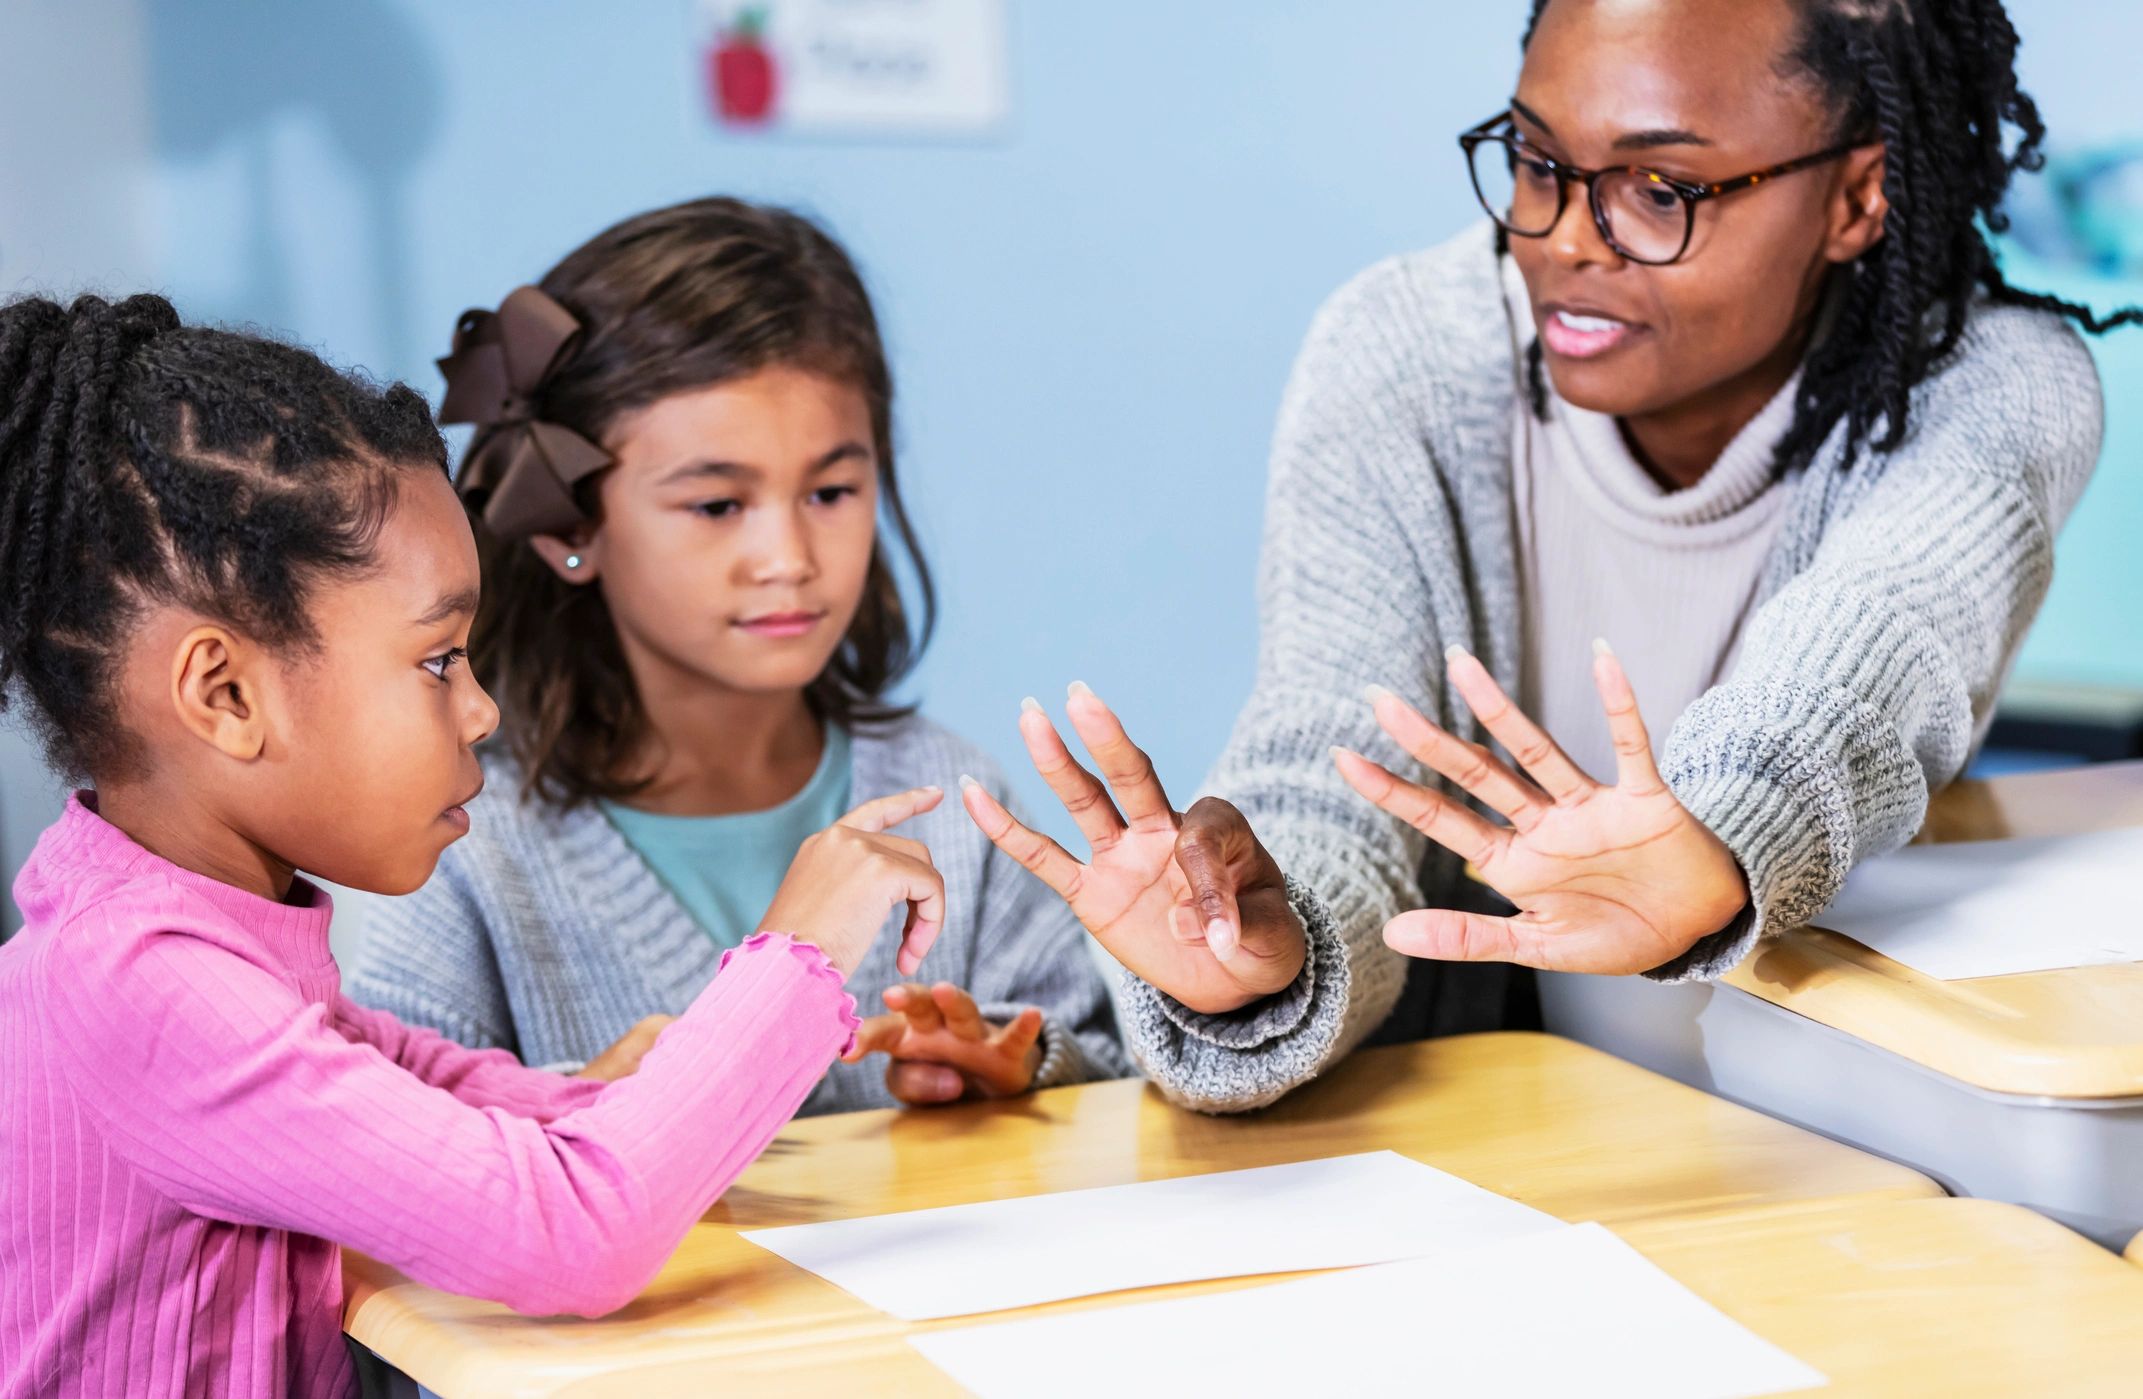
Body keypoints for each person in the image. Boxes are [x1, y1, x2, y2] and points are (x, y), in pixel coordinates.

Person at [964, 0, 2128, 1112]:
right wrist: (1263, 950)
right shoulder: (1405, 353)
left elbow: (1869, 662)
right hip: (1481, 1138)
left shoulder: (1992, 387)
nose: (1568, 240)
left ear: (1857, 196)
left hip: (1824, 1115)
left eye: (1661, 188)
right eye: (1534, 165)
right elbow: (1336, 760)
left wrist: (1719, 839)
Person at [0, 292, 948, 1395]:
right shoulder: (142, 985)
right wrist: (798, 952)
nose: (483, 710)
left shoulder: (184, 935)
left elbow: (418, 1084)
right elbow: (572, 1238)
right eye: (440, 659)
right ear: (225, 693)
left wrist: (623, 1092)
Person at [348, 198, 1125, 1109]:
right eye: (718, 506)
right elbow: (382, 1142)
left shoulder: (952, 804)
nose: (789, 560)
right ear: (570, 526)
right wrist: (577, 1103)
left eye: (831, 490)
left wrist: (1023, 1069)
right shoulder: (472, 841)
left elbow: (1101, 1080)